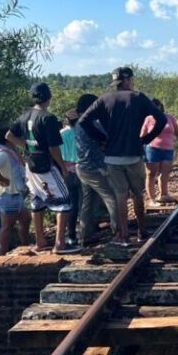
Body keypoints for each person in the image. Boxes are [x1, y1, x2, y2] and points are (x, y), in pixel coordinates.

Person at [78, 67, 167, 246]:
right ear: (128, 80)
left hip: (112, 156)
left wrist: (101, 139)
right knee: (138, 195)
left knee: (120, 196)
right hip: (134, 155)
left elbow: (83, 121)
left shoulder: (104, 99)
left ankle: (123, 235)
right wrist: (146, 139)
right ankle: (142, 231)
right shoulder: (138, 97)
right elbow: (162, 119)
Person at [6, 82, 79, 254]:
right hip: (47, 165)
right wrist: (63, 167)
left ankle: (40, 241)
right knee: (65, 202)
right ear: (49, 97)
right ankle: (60, 244)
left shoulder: (24, 116)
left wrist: (27, 146)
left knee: (37, 201)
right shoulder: (48, 118)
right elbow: (53, 148)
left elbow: (9, 135)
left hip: (31, 164)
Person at [73, 93, 120, 246]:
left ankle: (85, 234)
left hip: (83, 167)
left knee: (88, 202)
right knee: (112, 198)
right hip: (96, 169)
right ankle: (118, 232)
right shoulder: (92, 123)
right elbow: (106, 140)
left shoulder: (78, 124)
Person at [0, 127, 30, 254]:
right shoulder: (3, 154)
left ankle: (26, 248)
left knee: (26, 219)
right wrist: (3, 180)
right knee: (7, 226)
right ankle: (2, 257)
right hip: (7, 194)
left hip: (15, 193)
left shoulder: (9, 152)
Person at [141, 98, 178, 205]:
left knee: (165, 172)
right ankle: (152, 199)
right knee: (151, 174)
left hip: (168, 150)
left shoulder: (169, 118)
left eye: (156, 105)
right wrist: (140, 150)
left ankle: (163, 195)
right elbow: (142, 135)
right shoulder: (148, 119)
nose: (155, 108)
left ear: (160, 106)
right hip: (152, 149)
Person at [60, 109, 81, 248]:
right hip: (82, 168)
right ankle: (86, 231)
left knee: (72, 203)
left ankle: (71, 234)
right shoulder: (81, 132)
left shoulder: (61, 133)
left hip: (66, 169)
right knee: (84, 202)